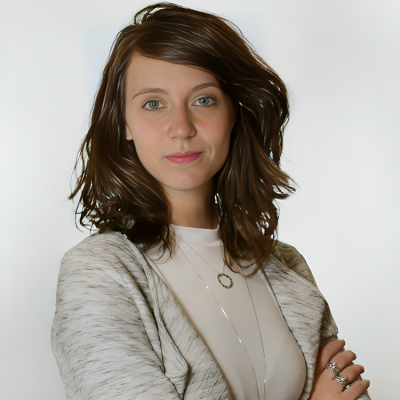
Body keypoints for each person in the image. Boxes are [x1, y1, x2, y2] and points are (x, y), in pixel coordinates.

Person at [51, 3, 371, 399]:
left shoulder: (286, 266)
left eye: (204, 100)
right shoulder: (99, 272)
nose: (181, 128)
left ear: (235, 111)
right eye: (154, 103)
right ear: (124, 124)